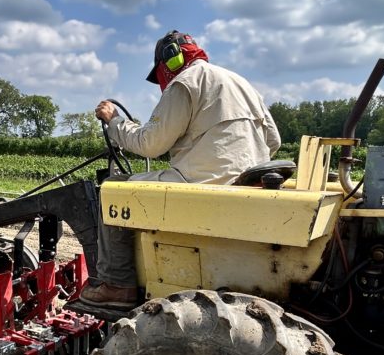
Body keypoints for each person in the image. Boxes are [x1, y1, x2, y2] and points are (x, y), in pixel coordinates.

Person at [78, 30, 281, 309]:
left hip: (200, 182)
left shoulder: (184, 83)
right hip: (245, 182)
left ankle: (116, 284)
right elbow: (274, 141)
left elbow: (150, 144)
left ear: (170, 60)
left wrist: (115, 122)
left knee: (115, 189)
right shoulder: (242, 83)